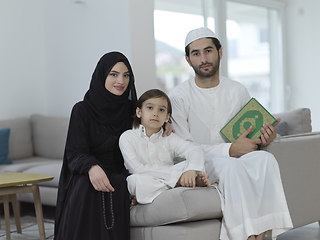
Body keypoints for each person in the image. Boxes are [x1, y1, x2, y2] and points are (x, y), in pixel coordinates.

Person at [169, 27, 293, 240]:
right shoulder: (177, 97)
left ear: (220, 52)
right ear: (188, 60)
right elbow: (183, 149)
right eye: (196, 54)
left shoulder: (238, 90)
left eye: (208, 51)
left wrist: (266, 137)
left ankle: (260, 235)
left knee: (265, 160)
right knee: (232, 166)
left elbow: (250, 132)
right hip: (198, 162)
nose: (203, 58)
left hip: (235, 158)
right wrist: (231, 149)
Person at [55, 51, 139, 240]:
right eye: (114, 74)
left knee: (119, 182)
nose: (121, 81)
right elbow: (74, 153)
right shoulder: (82, 110)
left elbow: (152, 123)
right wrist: (92, 167)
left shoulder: (133, 111)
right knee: (89, 185)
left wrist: (165, 127)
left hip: (120, 176)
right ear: (101, 75)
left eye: (126, 75)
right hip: (88, 175)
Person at [119, 89, 210, 205]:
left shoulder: (169, 137)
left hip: (158, 181)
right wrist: (177, 177)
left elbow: (195, 150)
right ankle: (183, 183)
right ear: (139, 112)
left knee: (200, 163)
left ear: (167, 117)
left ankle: (147, 194)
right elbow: (137, 169)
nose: (155, 113)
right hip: (145, 178)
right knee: (134, 180)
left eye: (161, 110)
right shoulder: (127, 137)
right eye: (150, 108)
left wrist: (190, 170)